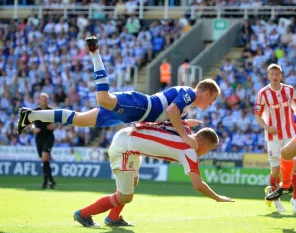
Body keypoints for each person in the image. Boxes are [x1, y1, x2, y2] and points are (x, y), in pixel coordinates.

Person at [17, 36, 221, 150]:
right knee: (103, 99)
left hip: (131, 114)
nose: (211, 104)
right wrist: (186, 135)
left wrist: (185, 123)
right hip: (140, 106)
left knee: (79, 120)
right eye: (212, 99)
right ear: (207, 92)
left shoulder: (186, 105)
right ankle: (95, 53)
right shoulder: (190, 94)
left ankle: (31, 115)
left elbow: (170, 117)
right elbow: (172, 111)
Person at [73, 121, 234, 227]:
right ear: (203, 144)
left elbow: (169, 120)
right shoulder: (189, 152)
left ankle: (113, 218)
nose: (206, 153)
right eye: (209, 149)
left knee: (132, 184)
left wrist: (187, 122)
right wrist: (217, 198)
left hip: (131, 139)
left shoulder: (184, 129)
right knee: (126, 196)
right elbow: (198, 185)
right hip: (125, 148)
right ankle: (83, 214)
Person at [254, 63, 296, 212]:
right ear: (268, 76)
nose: (274, 76)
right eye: (271, 74)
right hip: (273, 136)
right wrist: (267, 127)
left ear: (281, 75)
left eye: (277, 73)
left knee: (294, 168)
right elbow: (257, 115)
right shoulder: (263, 93)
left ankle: (294, 199)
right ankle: (275, 197)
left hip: (290, 133)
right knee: (276, 171)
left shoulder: (289, 90)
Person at [32, 93, 56, 189]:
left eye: (45, 99)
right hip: (39, 137)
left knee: (45, 158)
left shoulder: (51, 111)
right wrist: (33, 128)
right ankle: (50, 180)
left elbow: (58, 122)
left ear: (48, 101)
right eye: (42, 99)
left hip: (49, 137)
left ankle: (46, 181)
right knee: (44, 160)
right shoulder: (35, 111)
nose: (44, 101)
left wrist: (54, 125)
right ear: (39, 100)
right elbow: (31, 123)